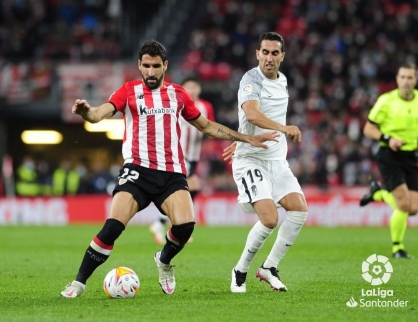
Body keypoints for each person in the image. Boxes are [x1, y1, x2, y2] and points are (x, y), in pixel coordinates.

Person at [60, 39, 279, 298]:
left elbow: (207, 126)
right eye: (145, 66)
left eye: (155, 66)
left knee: (185, 227)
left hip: (172, 173)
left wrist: (247, 138)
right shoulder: (128, 91)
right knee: (112, 227)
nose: (150, 72)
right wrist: (86, 112)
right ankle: (78, 282)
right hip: (137, 171)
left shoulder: (178, 94)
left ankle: (163, 260)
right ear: (139, 66)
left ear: (165, 65)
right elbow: (99, 114)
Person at [222, 32, 308, 293]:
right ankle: (240, 270)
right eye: (265, 52)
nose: (269, 58)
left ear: (282, 56)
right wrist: (283, 128)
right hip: (251, 161)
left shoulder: (282, 81)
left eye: (274, 53)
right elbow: (252, 113)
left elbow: (256, 116)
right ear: (257, 54)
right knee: (270, 219)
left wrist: (242, 135)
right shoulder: (250, 79)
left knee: (299, 209)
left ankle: (269, 267)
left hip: (277, 161)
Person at [359, 62, 418, 259]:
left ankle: (378, 193)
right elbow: (368, 129)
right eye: (402, 77)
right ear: (397, 79)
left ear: (415, 80)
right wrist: (388, 138)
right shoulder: (386, 101)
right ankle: (397, 248)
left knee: (413, 208)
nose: (406, 81)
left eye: (410, 78)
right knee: (402, 203)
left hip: (411, 157)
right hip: (389, 155)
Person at [149, 76, 215, 244]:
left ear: (199, 89)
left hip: (193, 155)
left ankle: (169, 223)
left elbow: (210, 128)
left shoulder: (206, 107)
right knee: (190, 188)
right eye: (188, 87)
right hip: (179, 155)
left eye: (194, 87)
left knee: (190, 189)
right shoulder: (175, 104)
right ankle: (173, 224)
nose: (192, 90)